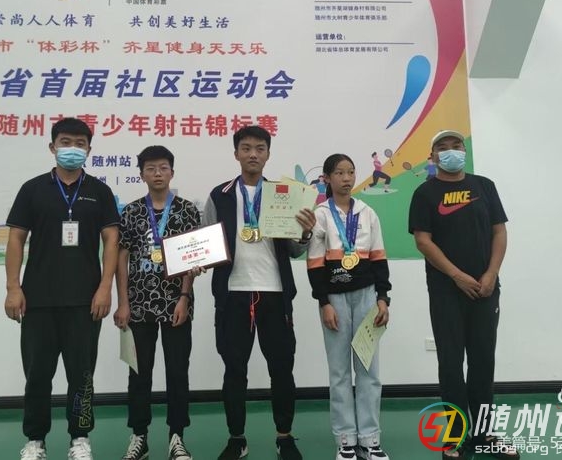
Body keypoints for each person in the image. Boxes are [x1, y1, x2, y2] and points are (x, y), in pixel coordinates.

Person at [4, 117, 120, 460]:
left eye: (80, 143)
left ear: (89, 149)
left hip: (85, 301)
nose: (73, 148)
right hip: (37, 299)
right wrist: (13, 288)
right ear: (52, 147)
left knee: (82, 376)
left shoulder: (99, 191)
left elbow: (111, 241)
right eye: (66, 142)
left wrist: (105, 288)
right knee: (37, 374)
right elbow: (16, 239)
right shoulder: (33, 189)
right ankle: (35, 440)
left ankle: (80, 438)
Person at [203, 125, 316, 460]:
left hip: (275, 293)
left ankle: (285, 436)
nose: (253, 154)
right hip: (233, 293)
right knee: (234, 370)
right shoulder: (219, 195)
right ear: (236, 153)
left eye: (260, 148)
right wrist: (196, 258)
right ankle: (237, 438)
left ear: (268, 154)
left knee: (281, 368)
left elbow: (294, 250)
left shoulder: (283, 194)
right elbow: (207, 242)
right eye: (247, 148)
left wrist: (305, 233)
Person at [408, 130, 518, 460]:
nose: (451, 151)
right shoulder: (424, 193)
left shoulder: (484, 186)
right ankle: (456, 435)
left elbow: (499, 231)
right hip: (446, 291)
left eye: (456, 145)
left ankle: (485, 433)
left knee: (483, 361)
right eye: (442, 147)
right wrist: (456, 276)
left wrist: (491, 274)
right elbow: (423, 241)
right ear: (432, 156)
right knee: (451, 364)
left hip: (485, 289)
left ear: (464, 150)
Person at [113, 145, 201, 460]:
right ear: (142, 175)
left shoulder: (187, 210)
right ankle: (140, 436)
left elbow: (193, 258)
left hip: (176, 305)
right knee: (139, 374)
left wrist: (184, 297)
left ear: (172, 172)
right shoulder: (131, 211)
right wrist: (123, 302)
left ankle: (177, 437)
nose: (158, 173)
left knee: (178, 371)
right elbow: (121, 258)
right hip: (138, 306)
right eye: (150, 169)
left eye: (163, 167)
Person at [306, 154, 392, 460]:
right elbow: (315, 264)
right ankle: (345, 438)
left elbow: (379, 259)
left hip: (367, 296)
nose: (346, 178)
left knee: (369, 368)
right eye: (339, 173)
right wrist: (324, 303)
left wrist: (382, 297)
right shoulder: (320, 215)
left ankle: (370, 438)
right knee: (340, 371)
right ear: (327, 179)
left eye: (351, 172)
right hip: (335, 300)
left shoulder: (367, 213)